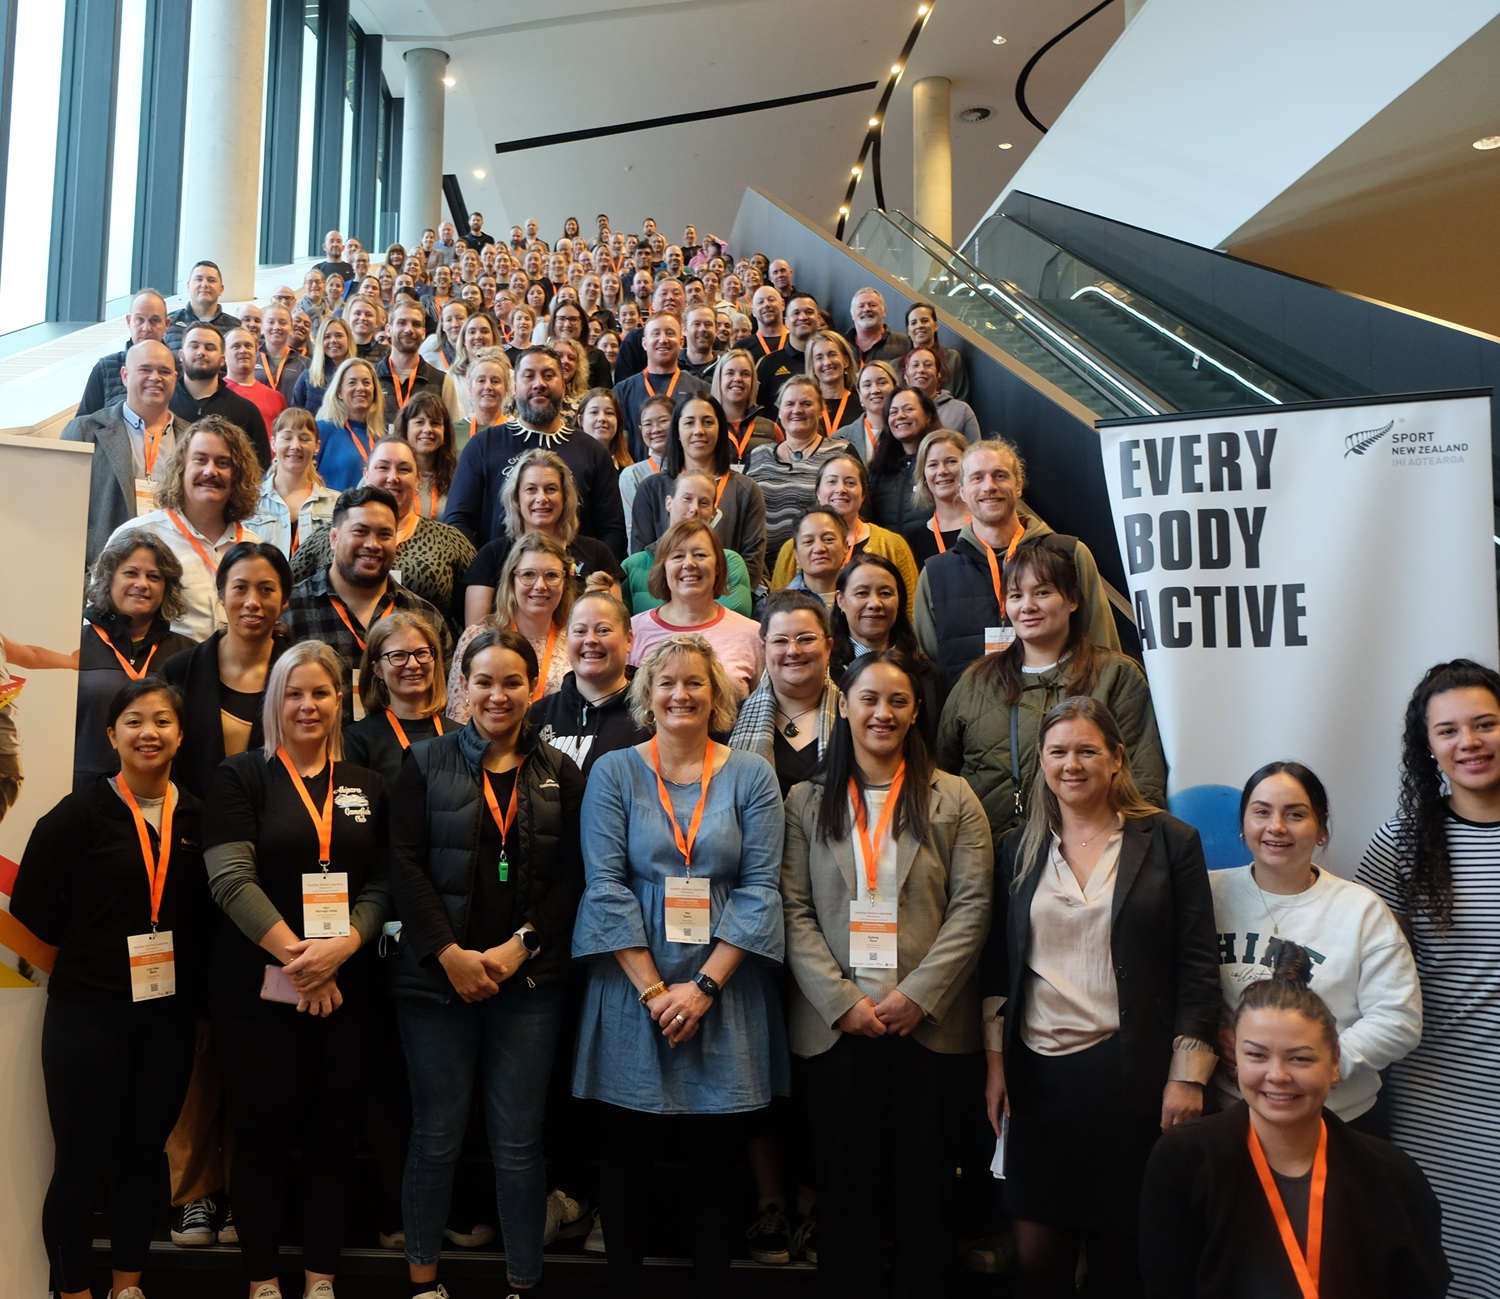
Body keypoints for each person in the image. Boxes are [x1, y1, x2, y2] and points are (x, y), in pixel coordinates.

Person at [981, 696, 1220, 1299]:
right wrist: (995, 1063)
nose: (1073, 764)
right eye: (1058, 752)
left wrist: (1188, 1077)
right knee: (1037, 1265)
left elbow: (1197, 968)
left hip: (1130, 1078)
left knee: (1121, 1262)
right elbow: (997, 968)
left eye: (1088, 750)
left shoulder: (1169, 842)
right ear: (1041, 761)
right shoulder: (1018, 848)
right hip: (1038, 1081)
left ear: (1117, 759)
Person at [572, 633, 788, 1297]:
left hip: (722, 987)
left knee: (717, 1162)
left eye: (696, 682)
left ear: (717, 695)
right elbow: (605, 885)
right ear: (647, 695)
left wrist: (699, 989)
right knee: (627, 1157)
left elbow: (760, 888)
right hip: (634, 986)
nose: (681, 693)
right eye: (667, 682)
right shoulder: (614, 771)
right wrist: (657, 992)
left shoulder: (751, 773)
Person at [782, 649, 992, 1297]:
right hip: (836, 1029)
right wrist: (841, 999)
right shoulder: (804, 799)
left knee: (927, 1197)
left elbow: (973, 906)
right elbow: (792, 907)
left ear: (916, 709)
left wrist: (918, 995)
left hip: (927, 1031)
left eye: (897, 700)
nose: (883, 711)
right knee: (845, 1195)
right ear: (842, 705)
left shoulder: (953, 796)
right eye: (868, 698)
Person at [389, 626, 586, 1299]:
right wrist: (449, 954)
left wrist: (518, 946)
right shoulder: (424, 761)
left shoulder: (561, 771)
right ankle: (423, 1283)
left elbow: (574, 879)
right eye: (483, 681)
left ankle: (522, 1284)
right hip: (435, 984)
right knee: (436, 1134)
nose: (497, 694)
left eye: (511, 682)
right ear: (460, 687)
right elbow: (405, 865)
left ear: (534, 688)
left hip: (527, 982)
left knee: (519, 1143)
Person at [11, 678, 213, 1299]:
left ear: (181, 734)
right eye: (133, 721)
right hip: (87, 1014)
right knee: (79, 1159)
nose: (148, 732)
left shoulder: (201, 819)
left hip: (167, 1018)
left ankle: (128, 1285)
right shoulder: (80, 812)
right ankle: (72, 1292)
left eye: (161, 721)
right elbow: (31, 907)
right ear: (111, 736)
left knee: (143, 1154)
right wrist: (89, 955)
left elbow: (209, 915)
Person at [203, 639, 391, 1299]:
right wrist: (300, 955)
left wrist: (341, 948)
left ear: (341, 700)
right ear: (274, 699)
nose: (308, 704)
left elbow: (382, 881)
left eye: (321, 692)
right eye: (294, 692)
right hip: (257, 995)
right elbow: (230, 878)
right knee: (259, 1140)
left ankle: (318, 1278)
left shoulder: (367, 784)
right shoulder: (240, 776)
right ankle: (261, 1279)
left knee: (333, 1140)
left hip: (348, 992)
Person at [1139, 942, 1451, 1299]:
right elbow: (1165, 1286)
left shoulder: (1392, 1176)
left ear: (1335, 1062)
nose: (1277, 1075)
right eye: (1256, 1055)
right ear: (1235, 1058)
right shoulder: (1183, 1160)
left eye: (1300, 1059)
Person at [1357, 658, 1500, 1294]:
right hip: (1439, 1097)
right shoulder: (1406, 840)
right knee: (1448, 1267)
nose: (1469, 743)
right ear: (1428, 747)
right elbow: (1352, 956)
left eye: (1486, 724)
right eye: (1448, 731)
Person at [1210, 761, 1420, 1130]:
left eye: (1295, 814)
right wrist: (1214, 1033)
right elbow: (1178, 989)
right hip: (1232, 1119)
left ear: (1321, 828)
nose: (1276, 827)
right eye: (1261, 812)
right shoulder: (1207, 894)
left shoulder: (1361, 910)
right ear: (1243, 826)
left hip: (1339, 1121)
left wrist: (1319, 1062)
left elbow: (1398, 1018)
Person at [938, 535, 1166, 854]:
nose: (1028, 606)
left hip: (1093, 857)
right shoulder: (976, 681)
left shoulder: (1117, 676)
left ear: (1072, 600)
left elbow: (1144, 780)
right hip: (987, 861)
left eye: (1042, 592)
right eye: (1016, 595)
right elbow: (943, 777)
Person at [915, 439, 1119, 681]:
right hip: (974, 717)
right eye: (977, 478)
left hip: (1062, 714)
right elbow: (927, 670)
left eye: (1000, 475)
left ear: (1019, 485)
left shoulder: (1071, 555)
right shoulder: (936, 574)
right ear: (962, 492)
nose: (989, 486)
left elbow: (1103, 651)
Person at [282, 486, 451, 721]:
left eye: (384, 534)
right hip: (318, 754)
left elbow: (442, 704)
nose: (373, 544)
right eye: (360, 532)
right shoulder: (290, 611)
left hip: (403, 755)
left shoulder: (426, 618)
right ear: (334, 538)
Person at [445, 346, 627, 556]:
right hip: (497, 581)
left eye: (548, 376)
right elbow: (458, 521)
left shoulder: (593, 452)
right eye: (529, 376)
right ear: (514, 387)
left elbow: (612, 530)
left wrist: (587, 576)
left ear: (564, 385)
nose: (539, 384)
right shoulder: (482, 446)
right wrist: (484, 574)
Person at [102, 416, 265, 643]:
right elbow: (98, 622)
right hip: (159, 674)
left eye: (223, 463)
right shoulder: (139, 536)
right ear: (181, 467)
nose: (211, 471)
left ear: (237, 475)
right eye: (200, 460)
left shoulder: (254, 548)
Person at [292, 436, 474, 636]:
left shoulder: (449, 540)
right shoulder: (328, 534)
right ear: (366, 474)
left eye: (404, 469)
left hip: (417, 659)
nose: (392, 477)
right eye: (382, 467)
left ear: (418, 479)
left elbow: (479, 611)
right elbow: (288, 590)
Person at [161, 541, 293, 798]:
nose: (252, 602)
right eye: (240, 588)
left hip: (277, 824)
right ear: (221, 594)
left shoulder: (301, 675)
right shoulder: (179, 671)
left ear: (284, 599)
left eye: (266, 589)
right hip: (190, 823)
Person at [74, 527, 195, 787]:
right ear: (109, 578)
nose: (142, 584)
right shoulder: (72, 644)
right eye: (131, 573)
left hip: (159, 797)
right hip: (78, 793)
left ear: (167, 587)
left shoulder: (188, 654)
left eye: (154, 576)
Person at [460, 448, 624, 627]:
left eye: (551, 489)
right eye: (531, 489)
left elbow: (615, 627)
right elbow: (475, 637)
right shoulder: (491, 556)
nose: (542, 498)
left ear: (565, 497)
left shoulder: (597, 553)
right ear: (517, 497)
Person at [63, 339, 189, 567]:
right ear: (124, 375)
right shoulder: (86, 431)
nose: (155, 378)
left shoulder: (192, 438)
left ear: (175, 379)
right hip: (103, 570)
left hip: (174, 568)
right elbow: (61, 512)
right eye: (145, 369)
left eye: (164, 371)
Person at [629, 394, 769, 589]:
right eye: (689, 423)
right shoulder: (651, 489)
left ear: (721, 430)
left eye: (708, 422)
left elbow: (752, 563)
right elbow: (641, 558)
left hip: (728, 603)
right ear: (677, 431)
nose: (699, 431)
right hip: (663, 602)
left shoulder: (745, 490)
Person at [769, 450, 920, 613]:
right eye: (832, 482)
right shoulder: (792, 549)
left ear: (863, 494)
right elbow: (776, 612)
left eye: (850, 483)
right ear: (818, 492)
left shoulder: (893, 545)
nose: (841, 489)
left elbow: (912, 610)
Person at [628, 520, 763, 700]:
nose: (689, 564)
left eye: (700, 555)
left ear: (717, 566)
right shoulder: (632, 632)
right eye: (677, 556)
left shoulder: (753, 635)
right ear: (663, 568)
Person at [449, 532, 575, 721]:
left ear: (564, 583)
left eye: (551, 575)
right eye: (528, 574)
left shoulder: (575, 641)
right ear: (511, 580)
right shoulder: (477, 636)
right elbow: (457, 716)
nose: (540, 585)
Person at [830, 555, 947, 753]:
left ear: (899, 600)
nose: (875, 603)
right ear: (841, 600)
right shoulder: (825, 674)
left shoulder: (930, 676)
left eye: (885, 593)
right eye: (862, 593)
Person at [529, 591, 651, 779]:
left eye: (603, 630)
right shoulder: (538, 715)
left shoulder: (652, 715)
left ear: (628, 640)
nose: (591, 640)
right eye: (580, 631)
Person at [729, 591, 838, 797]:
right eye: (780, 641)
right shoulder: (729, 720)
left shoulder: (852, 717)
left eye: (806, 639)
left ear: (828, 647)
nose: (793, 651)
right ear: (764, 649)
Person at [621, 469, 755, 618]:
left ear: (713, 512)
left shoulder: (730, 562)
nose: (694, 509)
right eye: (687, 499)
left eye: (704, 503)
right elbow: (620, 629)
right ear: (668, 503)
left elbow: (729, 625)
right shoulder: (632, 566)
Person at [341, 611, 449, 789]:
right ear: (377, 670)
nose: (413, 664)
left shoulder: (461, 736)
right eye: (398, 655)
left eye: (421, 653)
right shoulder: (356, 741)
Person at [747, 376, 845, 564]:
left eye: (806, 403)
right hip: (763, 567)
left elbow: (858, 512)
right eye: (789, 404)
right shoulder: (758, 455)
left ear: (821, 410)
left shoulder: (840, 453)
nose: (797, 410)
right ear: (780, 411)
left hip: (821, 563)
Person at [170, 324, 270, 470]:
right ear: (181, 355)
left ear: (222, 359)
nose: (201, 352)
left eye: (210, 347)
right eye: (194, 346)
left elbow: (259, 470)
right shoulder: (163, 404)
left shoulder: (245, 411)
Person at [249, 408, 339, 559]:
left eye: (304, 438)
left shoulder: (337, 505)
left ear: (317, 446)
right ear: (273, 443)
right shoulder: (250, 501)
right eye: (287, 438)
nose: (295, 446)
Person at [76, 289, 170, 416]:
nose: (146, 328)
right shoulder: (104, 369)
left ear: (167, 324)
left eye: (154, 321)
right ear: (128, 321)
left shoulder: (181, 371)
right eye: (139, 320)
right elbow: (82, 424)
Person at [866, 386, 945, 536]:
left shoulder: (942, 466)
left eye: (908, 409)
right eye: (893, 412)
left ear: (928, 416)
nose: (900, 416)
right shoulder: (878, 470)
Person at [315, 356, 388, 492]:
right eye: (352, 383)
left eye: (366, 383)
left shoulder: (381, 437)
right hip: (332, 512)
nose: (360, 388)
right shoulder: (322, 430)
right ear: (339, 392)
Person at [903, 429, 970, 566]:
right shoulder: (912, 540)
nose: (942, 471)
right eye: (933, 465)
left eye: (951, 461)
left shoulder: (989, 526)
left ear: (968, 467)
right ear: (924, 475)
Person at [395, 389, 460, 520]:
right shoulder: (387, 472)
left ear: (445, 432)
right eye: (419, 422)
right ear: (406, 427)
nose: (428, 429)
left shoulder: (458, 477)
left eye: (435, 423)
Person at [711, 347, 777, 467]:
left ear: (753, 382)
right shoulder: (705, 426)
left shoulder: (772, 429)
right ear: (719, 379)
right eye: (730, 373)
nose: (737, 379)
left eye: (745, 374)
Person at [902, 345, 980, 444]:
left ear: (938, 374)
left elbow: (975, 452)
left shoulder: (961, 410)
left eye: (928, 365)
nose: (921, 370)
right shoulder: (897, 411)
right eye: (915, 365)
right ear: (905, 375)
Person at [778, 507, 848, 609]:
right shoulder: (777, 607)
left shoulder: (864, 600)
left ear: (845, 547)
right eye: (808, 542)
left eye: (828, 539)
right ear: (796, 554)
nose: (819, 548)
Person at [163, 260, 240, 351]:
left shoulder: (236, 327)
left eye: (211, 280)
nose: (204, 285)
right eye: (199, 279)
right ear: (188, 286)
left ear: (221, 289)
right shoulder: (168, 323)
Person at [223, 326, 287, 431]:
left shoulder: (276, 398)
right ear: (223, 354)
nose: (243, 350)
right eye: (236, 346)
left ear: (256, 351)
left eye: (248, 346)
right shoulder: (215, 393)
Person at [835, 359, 897, 463]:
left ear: (895, 388)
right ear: (859, 394)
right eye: (867, 385)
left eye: (882, 382)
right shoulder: (840, 438)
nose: (875, 390)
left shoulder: (908, 431)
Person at [906, 300, 968, 402]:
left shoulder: (952, 359)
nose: (919, 326)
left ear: (935, 326)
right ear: (908, 330)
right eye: (913, 323)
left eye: (925, 320)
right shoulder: (897, 366)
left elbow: (962, 400)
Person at [291, 315, 354, 414]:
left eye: (339, 335)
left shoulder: (360, 375)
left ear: (349, 339)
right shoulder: (307, 377)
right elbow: (295, 417)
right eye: (327, 337)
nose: (333, 340)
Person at [806, 330, 860, 435]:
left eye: (832, 354)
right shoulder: (805, 407)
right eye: (819, 357)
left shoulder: (861, 406)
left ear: (846, 361)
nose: (827, 362)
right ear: (812, 366)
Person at [256, 305, 309, 405]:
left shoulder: (305, 363)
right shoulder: (251, 359)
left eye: (283, 323)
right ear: (262, 328)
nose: (276, 327)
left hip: (292, 419)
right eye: (271, 322)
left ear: (291, 329)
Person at [846, 286, 910, 364]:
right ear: (852, 314)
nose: (866, 309)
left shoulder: (905, 343)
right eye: (861, 306)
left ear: (884, 312)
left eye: (872, 305)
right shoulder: (841, 346)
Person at [580, 387, 633, 471]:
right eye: (594, 412)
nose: (602, 418)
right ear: (580, 420)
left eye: (609, 413)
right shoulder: (568, 464)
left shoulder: (629, 469)